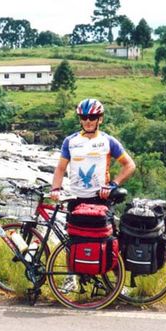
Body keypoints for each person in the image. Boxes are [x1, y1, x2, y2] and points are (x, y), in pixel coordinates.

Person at [50, 98, 136, 292]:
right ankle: (72, 278)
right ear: (80, 119)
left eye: (93, 117)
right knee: (72, 238)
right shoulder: (70, 141)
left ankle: (117, 283)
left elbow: (130, 165)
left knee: (109, 239)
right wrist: (55, 189)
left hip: (101, 200)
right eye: (84, 117)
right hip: (76, 198)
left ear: (100, 119)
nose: (88, 121)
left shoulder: (108, 141)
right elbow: (61, 168)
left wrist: (114, 184)